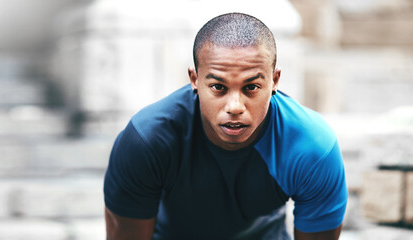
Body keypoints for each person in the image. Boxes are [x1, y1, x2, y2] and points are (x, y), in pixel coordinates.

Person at [103, 12, 347, 240]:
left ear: (274, 81)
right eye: (218, 87)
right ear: (194, 80)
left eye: (251, 87)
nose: (234, 106)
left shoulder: (311, 148)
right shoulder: (146, 141)